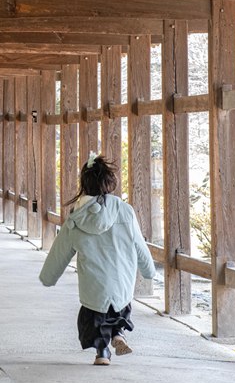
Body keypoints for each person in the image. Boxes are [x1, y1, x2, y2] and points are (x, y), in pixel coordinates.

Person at [38, 153, 156, 366]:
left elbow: (60, 249)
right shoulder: (125, 211)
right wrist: (149, 271)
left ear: (84, 184)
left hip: (93, 286)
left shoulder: (77, 217)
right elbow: (139, 244)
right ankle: (118, 334)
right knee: (118, 312)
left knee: (93, 321)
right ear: (110, 183)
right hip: (121, 283)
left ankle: (102, 353)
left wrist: (48, 277)